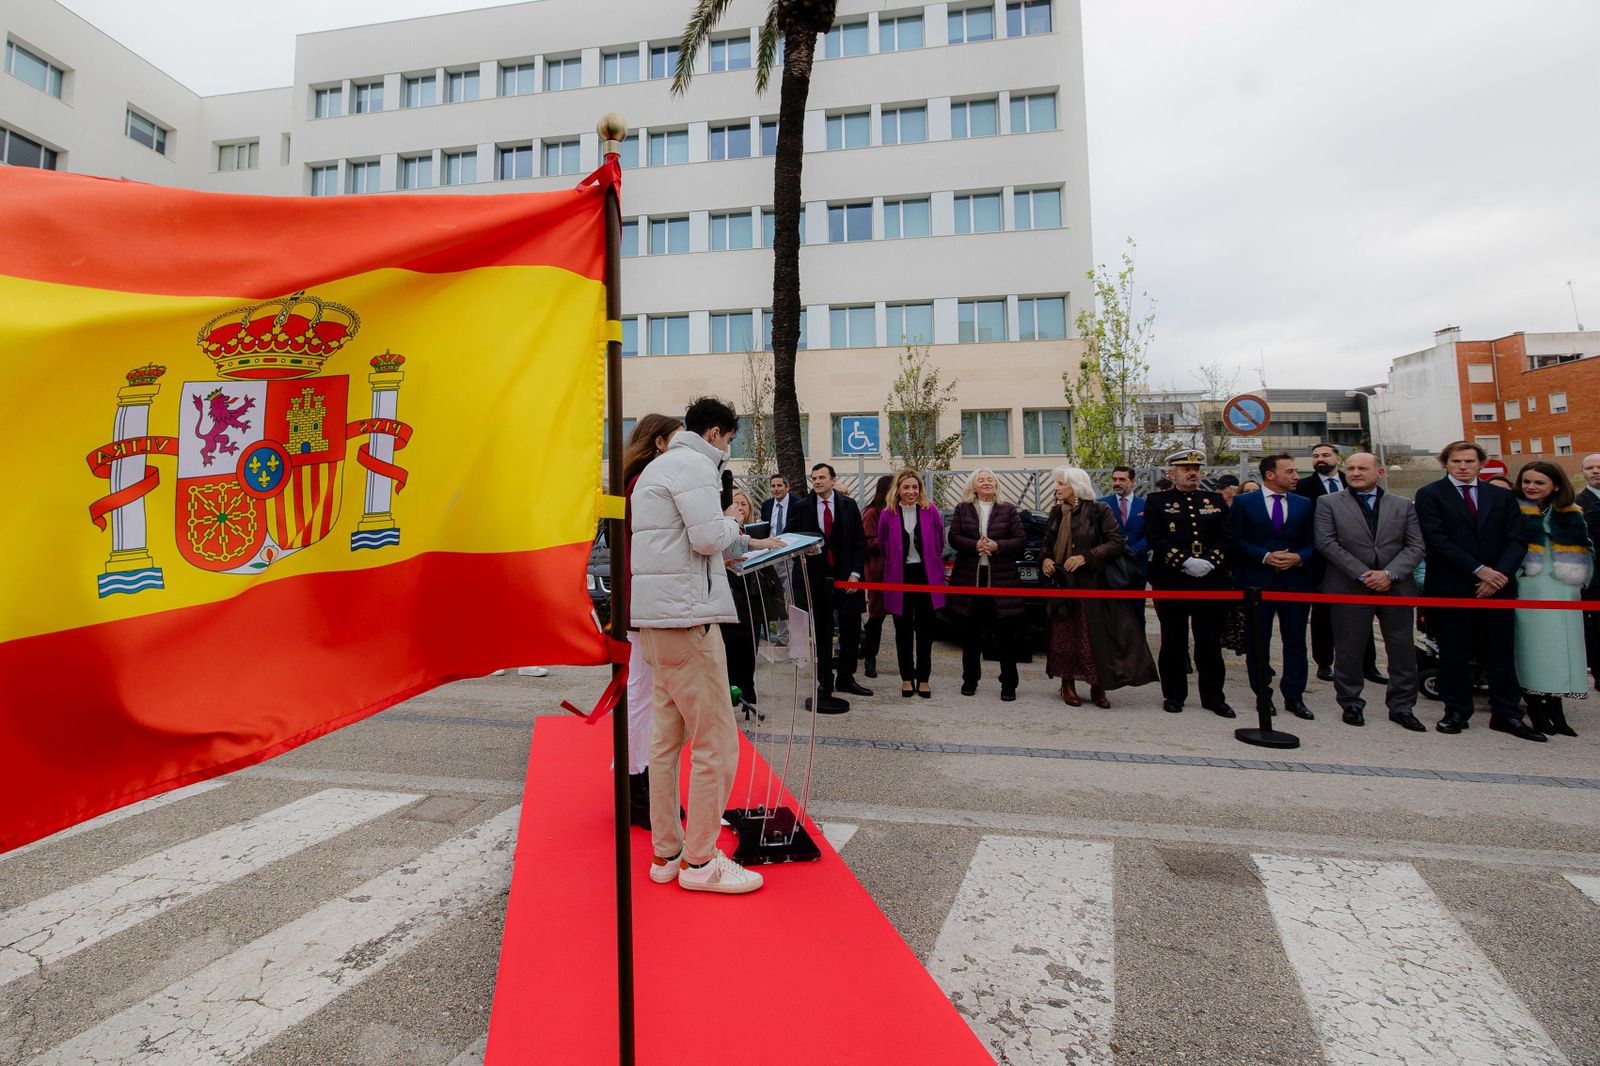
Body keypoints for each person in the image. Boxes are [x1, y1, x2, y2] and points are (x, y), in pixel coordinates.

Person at [630, 396, 782, 892]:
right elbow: (706, 537)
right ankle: (701, 861)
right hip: (688, 619)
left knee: (666, 742)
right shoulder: (694, 464)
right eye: (732, 438)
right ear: (716, 433)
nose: (728, 448)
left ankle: (667, 853)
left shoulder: (656, 468)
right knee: (715, 740)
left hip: (658, 619)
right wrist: (736, 523)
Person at [1413, 441, 1541, 741]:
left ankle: (1507, 713)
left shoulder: (1502, 496)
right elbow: (1437, 539)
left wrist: (1498, 576)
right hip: (1451, 586)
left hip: (1497, 586)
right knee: (1453, 652)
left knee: (1501, 652)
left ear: (1481, 464)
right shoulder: (1430, 494)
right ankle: (1456, 711)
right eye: (1456, 461)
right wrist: (1478, 570)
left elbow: (1516, 540)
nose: (1463, 466)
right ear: (1446, 463)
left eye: (1469, 461)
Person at [1313, 452, 1426, 730]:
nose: (1355, 473)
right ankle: (1351, 702)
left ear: (1380, 472)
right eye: (1350, 468)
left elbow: (1416, 546)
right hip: (1350, 587)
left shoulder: (1402, 505)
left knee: (1401, 651)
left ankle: (1402, 706)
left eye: (1362, 468)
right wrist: (1364, 574)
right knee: (1349, 650)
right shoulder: (1328, 503)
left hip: (1395, 586)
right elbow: (1326, 543)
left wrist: (1389, 574)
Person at [1041, 466, 1158, 706]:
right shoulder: (1056, 512)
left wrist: (1086, 556)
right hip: (1064, 586)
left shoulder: (1098, 510)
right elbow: (1047, 543)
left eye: (1062, 483)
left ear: (1077, 485)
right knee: (1065, 636)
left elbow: (1116, 543)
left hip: (1092, 584)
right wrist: (1046, 559)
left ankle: (1098, 686)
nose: (1057, 488)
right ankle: (1067, 684)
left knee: (1094, 636)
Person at [619, 413, 683, 829]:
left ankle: (635, 785)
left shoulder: (635, 481)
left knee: (643, 694)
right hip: (644, 602)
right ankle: (634, 788)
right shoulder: (645, 483)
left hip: (640, 600)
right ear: (658, 443)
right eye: (676, 442)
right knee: (643, 696)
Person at [1146, 450, 1235, 716]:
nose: (1192, 473)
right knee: (1173, 640)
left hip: (1210, 580)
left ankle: (1213, 697)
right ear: (1172, 474)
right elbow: (1155, 537)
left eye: (1195, 468)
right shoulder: (1157, 501)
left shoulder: (1215, 501)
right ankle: (1174, 695)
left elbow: (1227, 536)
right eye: (1186, 469)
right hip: (1173, 578)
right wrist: (1184, 561)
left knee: (1208, 641)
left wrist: (1209, 560)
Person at [1230, 454, 1317, 719]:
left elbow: (1314, 541)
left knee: (1295, 642)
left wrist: (1299, 557)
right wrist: (1264, 556)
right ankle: (1262, 694)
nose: (1295, 476)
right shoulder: (1245, 502)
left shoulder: (1304, 504)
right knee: (1259, 642)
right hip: (1258, 582)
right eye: (1289, 471)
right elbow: (1235, 539)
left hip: (1294, 582)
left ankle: (1294, 695)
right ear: (1270, 474)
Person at [1512, 461, 1592, 736]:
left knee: (1563, 651)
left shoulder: (1571, 512)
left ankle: (1556, 709)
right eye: (1527, 481)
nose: (1531, 487)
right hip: (1530, 588)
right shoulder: (1513, 510)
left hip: (1565, 590)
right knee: (1534, 650)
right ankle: (1534, 707)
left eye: (1539, 482)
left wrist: (1581, 578)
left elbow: (1586, 547)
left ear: (1556, 485)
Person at [1295, 442, 1381, 685]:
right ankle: (1324, 662)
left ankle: (1368, 665)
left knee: (1363, 614)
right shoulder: (1303, 487)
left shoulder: (1354, 481)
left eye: (1325, 455)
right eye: (1315, 456)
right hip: (1321, 561)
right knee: (1323, 616)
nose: (1319, 459)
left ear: (1337, 458)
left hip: (1359, 562)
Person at [788, 462, 871, 711]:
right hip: (817, 582)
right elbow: (788, 538)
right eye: (814, 478)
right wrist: (804, 551)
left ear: (833, 480)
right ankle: (825, 683)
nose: (817, 481)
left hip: (848, 580)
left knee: (850, 630)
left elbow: (859, 542)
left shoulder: (848, 505)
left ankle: (846, 678)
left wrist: (856, 574)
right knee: (823, 634)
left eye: (822, 477)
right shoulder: (802, 507)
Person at [948, 468, 1027, 700]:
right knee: (970, 635)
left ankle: (1009, 683)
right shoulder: (962, 509)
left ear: (996, 484)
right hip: (971, 579)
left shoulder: (1008, 509)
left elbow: (1020, 540)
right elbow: (953, 537)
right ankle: (970, 679)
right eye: (981, 480)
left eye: (989, 479)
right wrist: (974, 545)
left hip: (1002, 580)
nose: (986, 483)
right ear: (973, 486)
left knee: (1005, 636)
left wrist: (997, 546)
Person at [877, 469, 947, 698]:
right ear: (897, 489)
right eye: (906, 487)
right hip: (899, 575)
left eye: (914, 487)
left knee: (925, 630)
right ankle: (907, 677)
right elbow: (884, 544)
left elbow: (938, 542)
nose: (911, 491)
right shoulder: (888, 514)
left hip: (925, 575)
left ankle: (924, 678)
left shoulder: (930, 511)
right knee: (903, 629)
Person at [721, 489, 779, 711]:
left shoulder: (758, 531)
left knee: (749, 646)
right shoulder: (725, 532)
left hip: (752, 598)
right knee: (729, 647)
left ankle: (748, 688)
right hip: (730, 597)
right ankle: (729, 690)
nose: (740, 507)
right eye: (735, 504)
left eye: (744, 504)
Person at [860, 475, 894, 679]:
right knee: (877, 616)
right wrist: (892, 541)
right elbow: (867, 542)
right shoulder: (872, 512)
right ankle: (869, 657)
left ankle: (866, 648)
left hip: (897, 572)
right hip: (878, 572)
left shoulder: (898, 511)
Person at [1099, 465, 1149, 598]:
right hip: (1110, 567)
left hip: (1137, 566)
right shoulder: (1101, 505)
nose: (1117, 483)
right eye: (1114, 479)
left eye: (1122, 479)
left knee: (1137, 610)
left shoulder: (1145, 506)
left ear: (1133, 481)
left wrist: (1131, 552)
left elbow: (1150, 535)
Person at [1578, 453, 1600, 690]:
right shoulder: (1576, 504)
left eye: (1599, 467)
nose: (1595, 471)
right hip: (1594, 580)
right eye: (1590, 467)